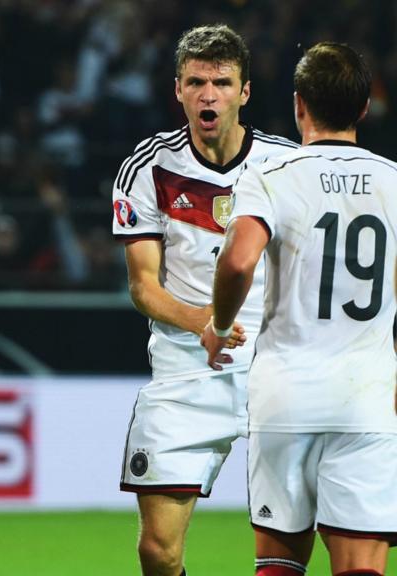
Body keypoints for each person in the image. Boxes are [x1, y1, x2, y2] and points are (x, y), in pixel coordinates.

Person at [202, 42, 397, 576]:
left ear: (298, 105)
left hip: (285, 395)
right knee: (361, 566)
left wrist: (218, 326)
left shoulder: (270, 174)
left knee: (278, 565)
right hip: (367, 399)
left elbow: (239, 261)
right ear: (363, 109)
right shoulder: (394, 183)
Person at [110, 25, 298, 576]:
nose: (208, 94)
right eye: (196, 82)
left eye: (221, 82)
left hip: (277, 369)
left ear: (244, 92)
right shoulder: (147, 168)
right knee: (157, 551)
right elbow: (143, 286)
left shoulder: (287, 165)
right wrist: (205, 323)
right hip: (187, 371)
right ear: (178, 90)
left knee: (289, 547)